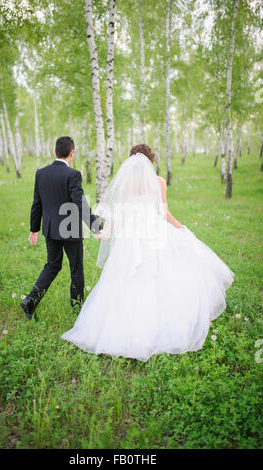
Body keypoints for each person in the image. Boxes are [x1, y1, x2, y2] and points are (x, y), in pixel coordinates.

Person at [62, 143, 234, 361]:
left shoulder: (125, 184)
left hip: (129, 238)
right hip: (154, 234)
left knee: (125, 280)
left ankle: (120, 329)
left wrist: (105, 231)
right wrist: (180, 227)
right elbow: (164, 213)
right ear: (150, 161)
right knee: (163, 276)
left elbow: (117, 214)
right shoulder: (159, 182)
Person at [21, 136, 102, 321]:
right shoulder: (73, 174)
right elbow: (80, 203)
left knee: (52, 266)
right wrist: (96, 228)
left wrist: (34, 229)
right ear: (72, 153)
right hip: (71, 228)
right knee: (76, 269)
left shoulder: (41, 173)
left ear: (54, 152)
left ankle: (30, 300)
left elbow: (37, 204)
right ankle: (76, 310)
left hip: (50, 228)